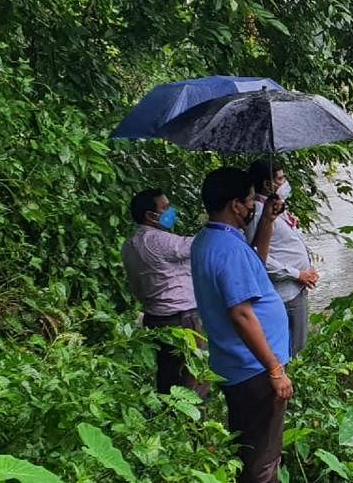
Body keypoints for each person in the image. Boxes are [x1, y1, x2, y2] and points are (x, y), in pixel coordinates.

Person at [190, 167, 292, 483]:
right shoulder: (228, 248)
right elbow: (242, 315)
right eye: (250, 201)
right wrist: (275, 370)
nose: (253, 206)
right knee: (262, 461)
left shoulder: (211, 239)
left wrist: (267, 222)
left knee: (251, 450)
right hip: (254, 370)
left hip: (237, 366)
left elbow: (255, 266)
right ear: (235, 205)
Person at [121, 189, 208, 398]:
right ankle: (192, 426)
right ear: (151, 216)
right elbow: (198, 245)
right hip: (182, 318)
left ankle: (169, 421)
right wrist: (214, 224)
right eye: (165, 208)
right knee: (192, 379)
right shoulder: (157, 240)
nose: (171, 212)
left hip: (156, 317)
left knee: (169, 377)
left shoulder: (130, 244)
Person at [245, 159, 319, 356]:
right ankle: (282, 382)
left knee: (297, 342)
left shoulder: (274, 207)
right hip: (285, 291)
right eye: (280, 178)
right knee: (291, 346)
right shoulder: (258, 214)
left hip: (296, 286)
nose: (285, 181)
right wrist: (297, 274)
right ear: (268, 184)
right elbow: (257, 256)